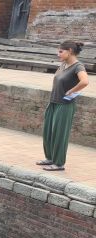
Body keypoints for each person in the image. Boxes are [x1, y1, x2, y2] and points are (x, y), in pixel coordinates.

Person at [37, 40, 90, 171]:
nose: (58, 54)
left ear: (70, 51)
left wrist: (72, 90)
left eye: (61, 51)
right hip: (54, 102)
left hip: (65, 105)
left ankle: (59, 163)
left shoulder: (78, 66)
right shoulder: (63, 65)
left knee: (60, 134)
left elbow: (85, 81)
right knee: (48, 132)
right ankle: (50, 158)